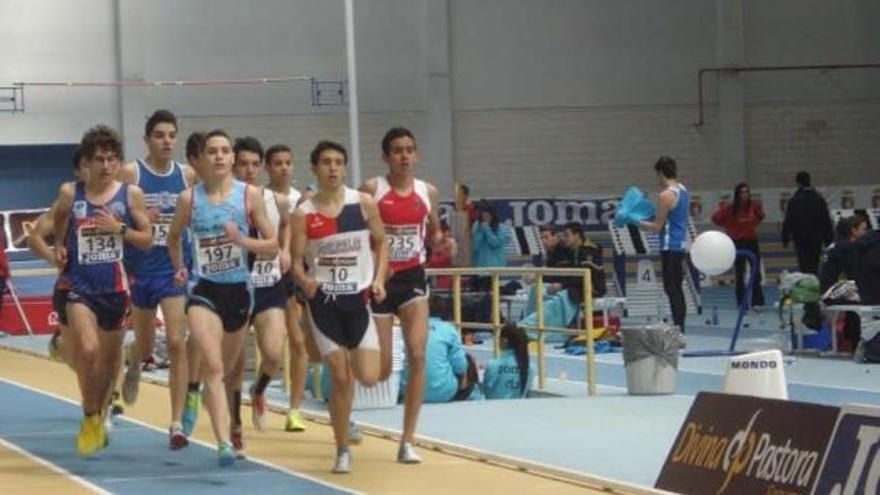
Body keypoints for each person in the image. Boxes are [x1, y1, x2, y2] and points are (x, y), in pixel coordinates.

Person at [167, 129, 278, 467]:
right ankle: (223, 442)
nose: (218, 156)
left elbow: (272, 245)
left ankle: (199, 395)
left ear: (232, 158)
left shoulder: (250, 196)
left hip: (239, 292)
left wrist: (242, 242)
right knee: (213, 366)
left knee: (230, 372)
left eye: (224, 151)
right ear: (201, 159)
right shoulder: (189, 199)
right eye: (212, 151)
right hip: (203, 290)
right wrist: (180, 268)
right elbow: (172, 239)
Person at [51, 125, 153, 456]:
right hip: (79, 288)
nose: (106, 165)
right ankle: (89, 415)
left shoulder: (130, 194)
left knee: (109, 365)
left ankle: (99, 410)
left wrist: (119, 229)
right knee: (89, 351)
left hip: (115, 290)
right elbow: (59, 222)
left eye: (112, 159)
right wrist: (59, 246)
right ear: (87, 162)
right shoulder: (71, 193)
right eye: (99, 159)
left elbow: (148, 239)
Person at [291, 140, 385, 474]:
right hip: (324, 303)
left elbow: (382, 241)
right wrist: (304, 283)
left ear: (345, 168)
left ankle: (345, 416)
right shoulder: (304, 213)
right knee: (341, 377)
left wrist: (379, 278)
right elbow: (295, 261)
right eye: (326, 162)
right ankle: (342, 447)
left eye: (338, 162)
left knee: (370, 377)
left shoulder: (362, 203)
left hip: (358, 300)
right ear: (315, 169)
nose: (333, 168)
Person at [359, 127, 440, 464]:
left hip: (412, 279)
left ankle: (408, 440)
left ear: (416, 155)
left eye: (410, 149)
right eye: (397, 150)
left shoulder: (427, 191)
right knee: (377, 372)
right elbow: (356, 233)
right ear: (385, 157)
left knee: (418, 354)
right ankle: (345, 387)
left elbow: (433, 231)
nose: (404, 156)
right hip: (379, 281)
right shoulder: (371, 190)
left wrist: (441, 242)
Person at [118, 109, 198, 449]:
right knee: (148, 345)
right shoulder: (131, 172)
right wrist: (139, 220)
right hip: (141, 270)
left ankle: (176, 422)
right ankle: (136, 359)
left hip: (173, 270)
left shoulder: (188, 175)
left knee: (178, 342)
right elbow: (111, 216)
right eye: (160, 135)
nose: (167, 141)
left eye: (172, 135)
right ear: (148, 139)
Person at [227, 137, 291, 456]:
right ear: (233, 166)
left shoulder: (275, 200)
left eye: (255, 164)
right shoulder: (225, 201)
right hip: (236, 286)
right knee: (236, 364)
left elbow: (286, 228)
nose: (250, 171)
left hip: (268, 285)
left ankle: (260, 389)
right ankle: (236, 427)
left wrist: (288, 250)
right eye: (244, 164)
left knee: (274, 354)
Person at [263, 143, 313, 433]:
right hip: (262, 275)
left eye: (288, 162)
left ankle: (294, 410)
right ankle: (259, 390)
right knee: (268, 348)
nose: (283, 167)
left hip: (292, 274)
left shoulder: (301, 200)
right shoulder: (259, 197)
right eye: (278, 163)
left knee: (297, 341)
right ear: (268, 167)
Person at [640, 156, 690, 333]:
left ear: (660, 173)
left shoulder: (666, 195)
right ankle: (679, 327)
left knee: (672, 288)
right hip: (680, 244)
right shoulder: (682, 189)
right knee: (675, 287)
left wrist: (635, 221)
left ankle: (679, 328)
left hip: (670, 246)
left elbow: (656, 226)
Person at [181, 131, 205, 436]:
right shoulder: (186, 192)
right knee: (195, 335)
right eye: (207, 155)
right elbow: (171, 235)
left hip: (231, 277)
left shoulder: (235, 191)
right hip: (191, 272)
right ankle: (192, 389)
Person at [711, 182, 766, 309]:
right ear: (737, 194)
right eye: (742, 192)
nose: (745, 195)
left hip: (751, 242)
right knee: (739, 274)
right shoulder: (730, 208)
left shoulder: (754, 206)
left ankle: (757, 302)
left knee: (755, 273)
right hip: (737, 243)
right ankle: (741, 303)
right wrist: (729, 228)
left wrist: (752, 226)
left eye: (747, 192)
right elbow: (715, 218)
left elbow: (761, 217)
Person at [819, 216, 869, 350]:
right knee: (866, 294)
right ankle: (857, 338)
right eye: (863, 229)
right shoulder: (848, 246)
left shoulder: (837, 244)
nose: (866, 232)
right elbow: (855, 273)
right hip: (832, 292)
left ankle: (853, 337)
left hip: (828, 289)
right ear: (853, 230)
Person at [400, 317, 475, 403]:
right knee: (465, 360)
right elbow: (460, 367)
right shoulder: (448, 329)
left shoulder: (403, 329)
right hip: (444, 393)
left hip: (409, 392)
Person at [781, 171, 834, 274]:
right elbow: (825, 220)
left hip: (800, 239)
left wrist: (785, 237)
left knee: (804, 265)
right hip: (816, 238)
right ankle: (813, 283)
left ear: (798, 182)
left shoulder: (794, 200)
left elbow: (788, 219)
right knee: (815, 264)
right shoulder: (818, 199)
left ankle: (807, 284)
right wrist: (829, 239)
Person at [482, 323, 534, 399]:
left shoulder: (492, 365)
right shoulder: (530, 368)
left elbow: (486, 392)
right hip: (519, 409)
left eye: (499, 338)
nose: (497, 341)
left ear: (505, 340)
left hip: (494, 409)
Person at [471, 202, 510, 292]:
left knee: (492, 295)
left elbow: (495, 243)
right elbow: (475, 246)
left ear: (493, 217)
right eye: (483, 217)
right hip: (479, 268)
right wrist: (479, 231)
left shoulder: (501, 229)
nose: (486, 220)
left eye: (487, 217)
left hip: (494, 268)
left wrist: (487, 230)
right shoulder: (477, 227)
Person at [426, 219, 457, 290]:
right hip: (432, 277)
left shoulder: (450, 243)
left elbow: (450, 257)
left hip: (444, 278)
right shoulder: (434, 243)